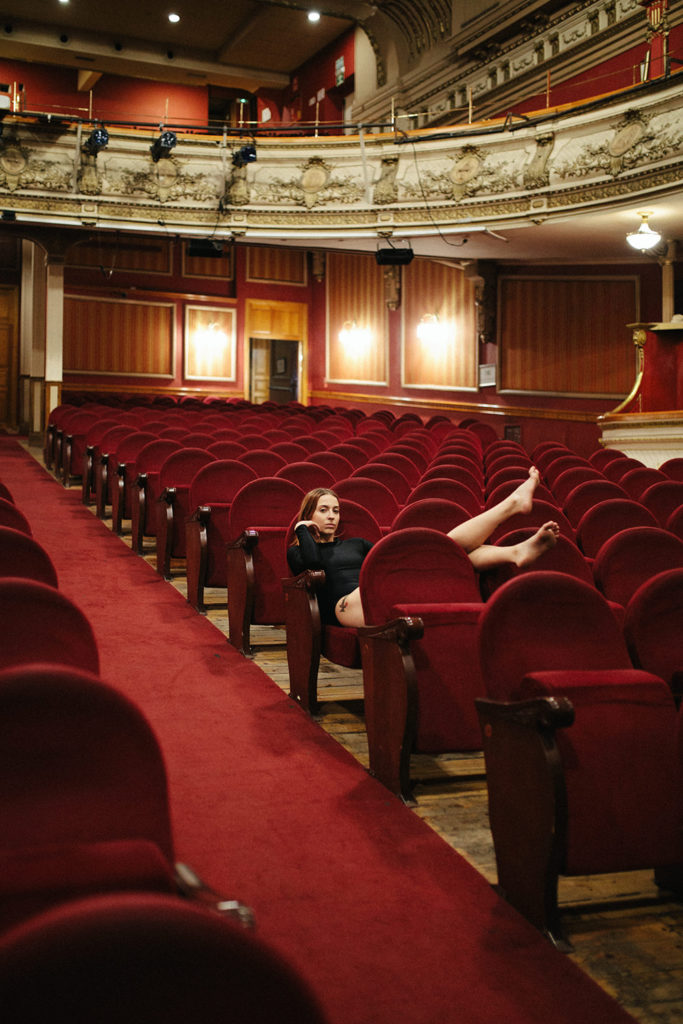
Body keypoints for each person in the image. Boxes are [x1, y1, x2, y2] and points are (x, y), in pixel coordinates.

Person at [287, 467, 559, 629]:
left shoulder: (357, 544)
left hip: (385, 592)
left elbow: (388, 562)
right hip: (345, 606)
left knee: (445, 554)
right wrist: (302, 527)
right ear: (309, 514)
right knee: (440, 551)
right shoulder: (299, 550)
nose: (332, 516)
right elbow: (314, 564)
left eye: (336, 510)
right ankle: (510, 511)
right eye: (323, 510)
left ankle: (514, 551)